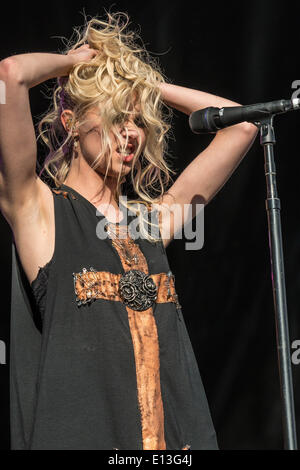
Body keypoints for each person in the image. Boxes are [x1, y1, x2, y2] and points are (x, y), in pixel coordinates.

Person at [0, 12, 258, 450]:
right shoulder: (42, 212)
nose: (130, 133)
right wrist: (75, 63)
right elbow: (11, 75)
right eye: (117, 115)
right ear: (71, 122)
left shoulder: (151, 222)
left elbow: (241, 126)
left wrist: (142, 85)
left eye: (138, 120)